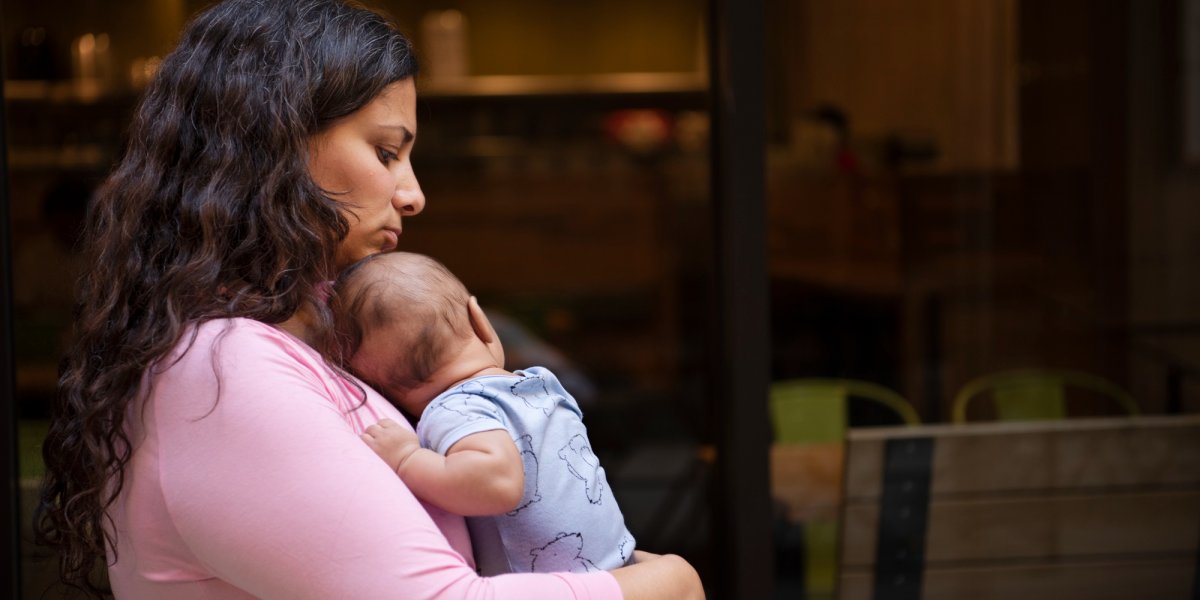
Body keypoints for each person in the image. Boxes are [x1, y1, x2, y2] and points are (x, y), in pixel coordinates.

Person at [33, 1, 705, 598]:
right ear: (277, 145)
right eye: (387, 153)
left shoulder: (297, 338)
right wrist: (663, 584)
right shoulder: (225, 369)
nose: (412, 195)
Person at [331, 252, 634, 576]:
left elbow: (498, 482)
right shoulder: (539, 384)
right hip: (620, 567)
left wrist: (406, 458)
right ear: (480, 320)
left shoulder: (456, 408)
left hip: (560, 588)